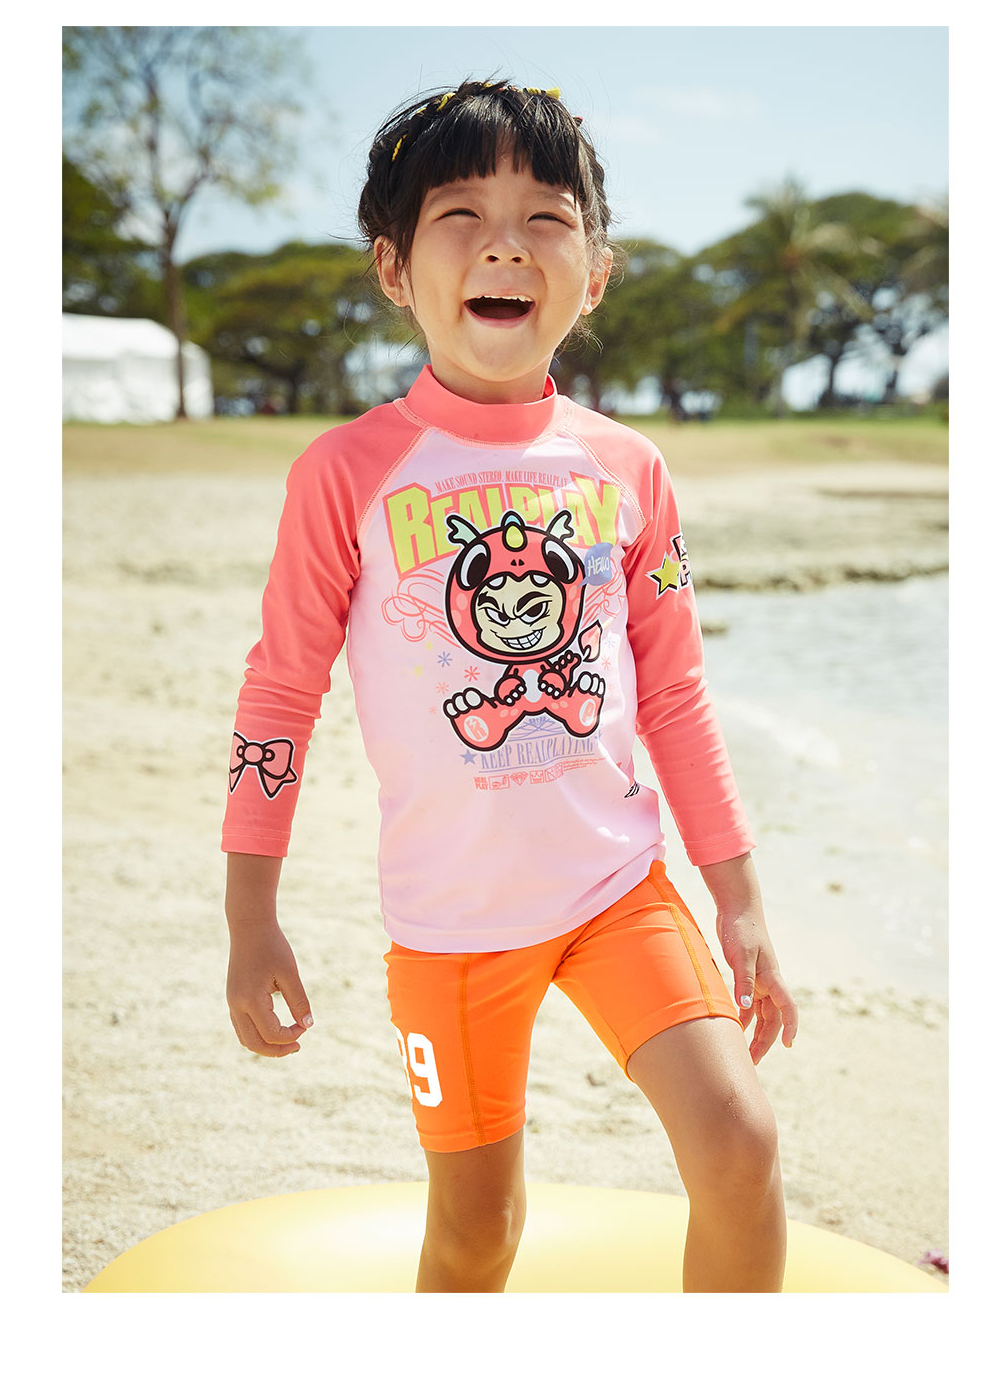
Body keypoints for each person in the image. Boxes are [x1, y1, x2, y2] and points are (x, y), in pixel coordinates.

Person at [223, 77, 798, 1293]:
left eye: (546, 217)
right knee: (477, 1230)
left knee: (740, 1141)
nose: (505, 244)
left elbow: (675, 694)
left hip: (615, 889)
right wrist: (250, 914)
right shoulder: (345, 474)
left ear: (595, 274)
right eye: (461, 215)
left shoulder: (628, 467)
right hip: (451, 923)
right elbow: (279, 696)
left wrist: (738, 898)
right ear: (394, 269)